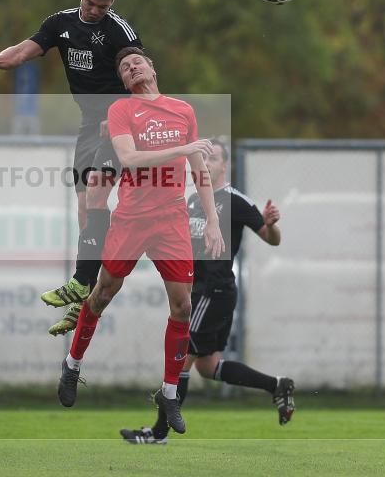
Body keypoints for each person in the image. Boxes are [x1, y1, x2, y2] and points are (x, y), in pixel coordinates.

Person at [56, 47, 224, 436]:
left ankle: (168, 393)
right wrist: (183, 149)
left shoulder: (183, 110)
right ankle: (72, 365)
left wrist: (213, 220)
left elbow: (199, 170)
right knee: (101, 296)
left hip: (171, 220)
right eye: (124, 68)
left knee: (182, 306)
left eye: (137, 63)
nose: (131, 68)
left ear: (152, 68)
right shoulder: (122, 111)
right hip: (132, 218)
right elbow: (129, 160)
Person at [0, 0, 142, 335]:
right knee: (84, 208)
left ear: (112, 3)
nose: (96, 11)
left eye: (103, 6)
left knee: (97, 192)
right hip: (89, 126)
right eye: (90, 3)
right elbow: (22, 51)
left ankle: (82, 282)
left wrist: (123, 117)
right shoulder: (60, 23)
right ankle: (86, 294)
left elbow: (140, 75)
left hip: (119, 122)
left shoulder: (119, 31)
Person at [120, 139, 295, 445]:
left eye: (212, 158)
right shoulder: (192, 200)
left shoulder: (234, 201)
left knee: (182, 356)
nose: (206, 164)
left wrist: (272, 224)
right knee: (208, 365)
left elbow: (272, 239)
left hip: (214, 290)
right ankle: (276, 385)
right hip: (199, 289)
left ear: (224, 165)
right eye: (202, 158)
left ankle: (159, 434)